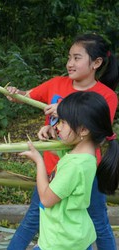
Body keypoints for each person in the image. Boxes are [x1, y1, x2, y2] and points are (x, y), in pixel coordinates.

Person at [6, 33, 119, 249]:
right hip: (53, 167)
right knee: (35, 217)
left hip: (86, 172)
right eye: (69, 57)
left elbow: (97, 132)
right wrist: (15, 93)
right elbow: (26, 95)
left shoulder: (105, 96)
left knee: (98, 221)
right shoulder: (56, 83)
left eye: (77, 58)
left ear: (96, 63)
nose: (69, 63)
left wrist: (63, 110)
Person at [20, 91, 119, 249]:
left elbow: (46, 199)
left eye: (63, 122)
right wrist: (53, 136)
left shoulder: (75, 165)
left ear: (84, 130)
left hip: (61, 241)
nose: (57, 126)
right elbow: (63, 153)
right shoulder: (84, 156)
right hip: (74, 236)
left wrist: (39, 161)